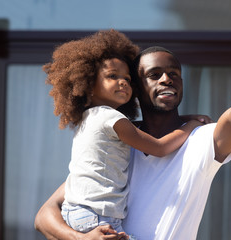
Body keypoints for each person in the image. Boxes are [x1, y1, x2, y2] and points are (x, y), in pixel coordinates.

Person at [35, 44, 231, 240]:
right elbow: (45, 215)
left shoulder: (201, 139)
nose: (167, 79)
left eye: (174, 74)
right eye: (154, 75)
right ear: (135, 89)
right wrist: (81, 238)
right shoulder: (113, 144)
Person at [42, 30, 203, 239]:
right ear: (88, 84)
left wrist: (184, 118)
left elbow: (134, 128)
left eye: (127, 78)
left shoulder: (91, 118)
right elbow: (159, 147)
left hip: (77, 212)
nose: (123, 82)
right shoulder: (111, 118)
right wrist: (190, 126)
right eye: (112, 76)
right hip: (98, 215)